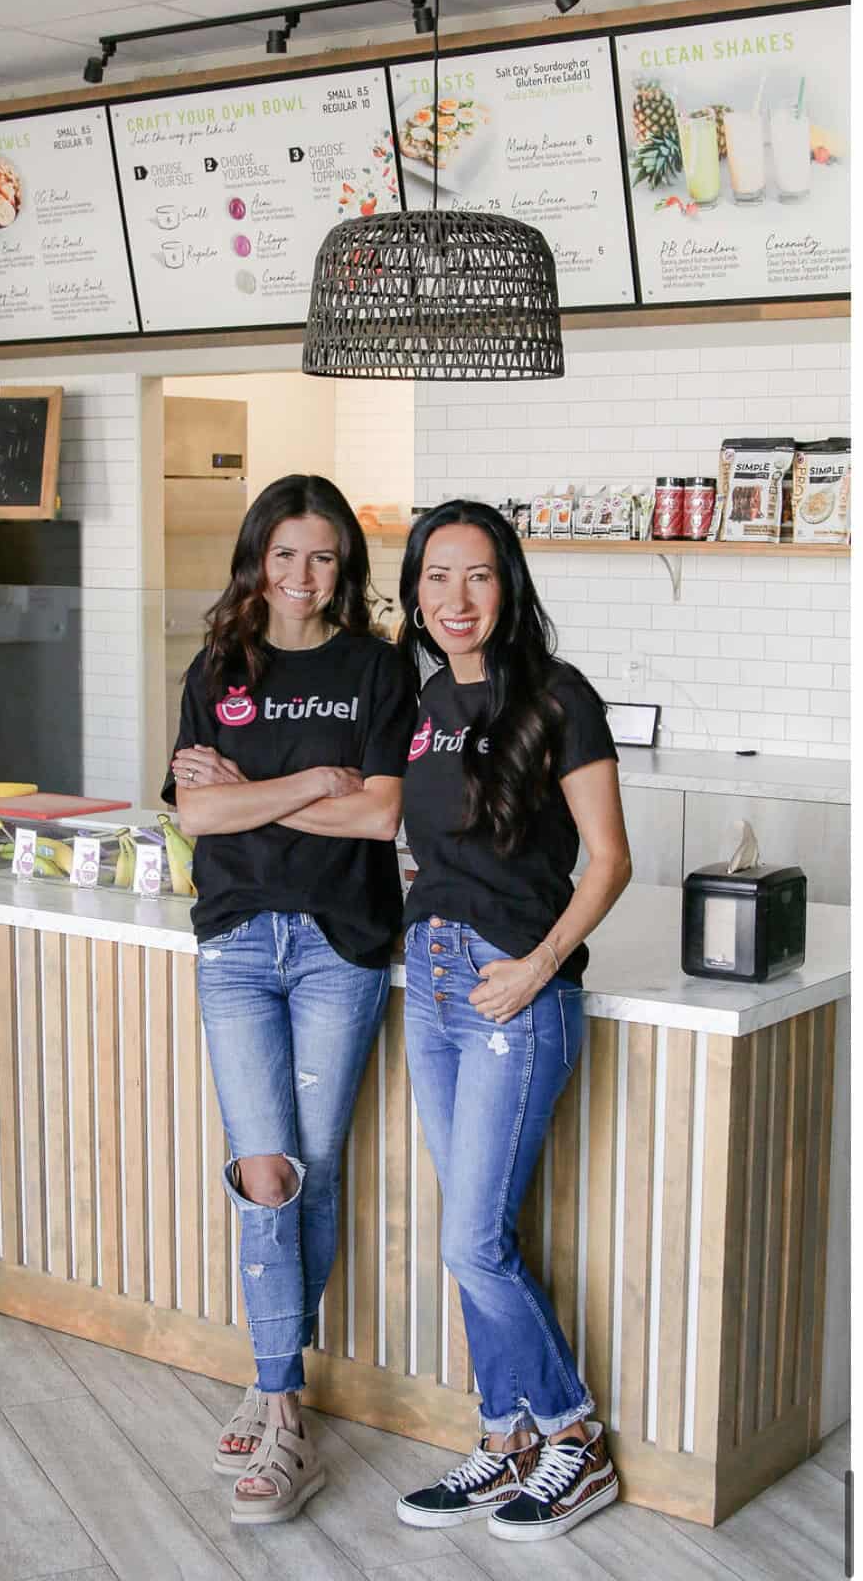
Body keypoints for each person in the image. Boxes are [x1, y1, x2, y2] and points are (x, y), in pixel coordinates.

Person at [163, 473, 417, 1527]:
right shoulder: (220, 666)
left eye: (321, 555)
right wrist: (318, 780)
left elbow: (381, 817)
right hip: (234, 943)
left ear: (343, 565)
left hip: (337, 944)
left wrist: (250, 795)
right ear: (257, 562)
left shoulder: (378, 668)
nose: (302, 574)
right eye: (284, 555)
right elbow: (195, 815)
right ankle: (281, 1401)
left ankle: (275, 1395)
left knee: (311, 1170)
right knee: (264, 1173)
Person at [393, 500, 631, 1544]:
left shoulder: (558, 697)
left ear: (509, 586)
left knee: (472, 1240)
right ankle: (507, 1435)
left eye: (478, 575)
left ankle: (574, 1437)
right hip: (432, 982)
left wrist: (537, 965)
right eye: (437, 577)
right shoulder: (425, 701)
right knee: (473, 1239)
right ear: (414, 593)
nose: (457, 598)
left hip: (513, 990)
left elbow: (609, 859)